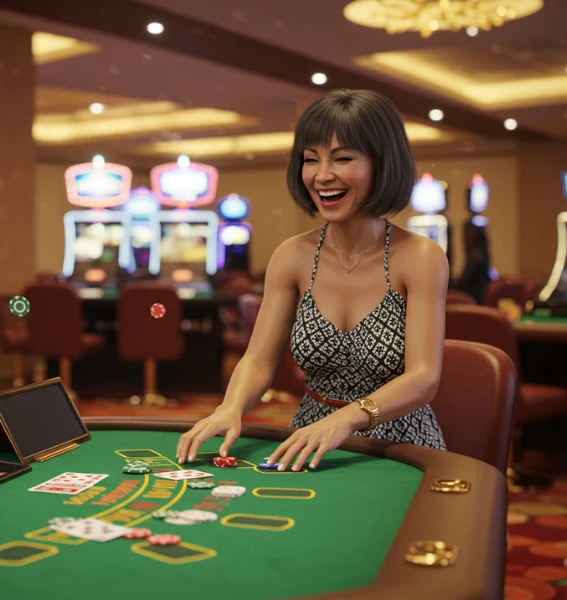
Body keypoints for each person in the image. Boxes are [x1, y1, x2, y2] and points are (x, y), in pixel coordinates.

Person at [176, 89, 449, 471]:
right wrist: (230, 407)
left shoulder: (420, 257)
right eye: (310, 160)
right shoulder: (292, 256)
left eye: (342, 158)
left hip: (400, 444)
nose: (322, 176)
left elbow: (424, 378)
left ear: (381, 164)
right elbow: (257, 358)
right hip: (308, 439)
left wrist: (346, 419)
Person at [453, 221, 492, 304]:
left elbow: (465, 279)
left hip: (475, 298)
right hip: (480, 294)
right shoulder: (481, 252)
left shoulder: (476, 255)